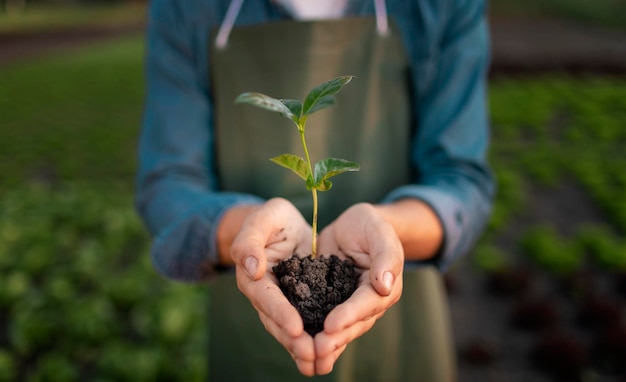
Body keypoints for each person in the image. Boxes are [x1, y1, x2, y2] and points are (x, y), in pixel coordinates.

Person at [136, 0, 494, 380]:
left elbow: (460, 179)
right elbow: (168, 183)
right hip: (254, 310)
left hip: (400, 329)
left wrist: (386, 228)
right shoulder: (187, 8)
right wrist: (248, 231)